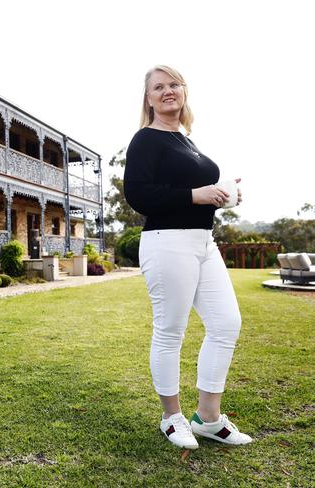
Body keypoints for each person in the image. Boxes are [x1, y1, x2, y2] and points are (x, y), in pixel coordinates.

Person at [124, 65, 252, 449]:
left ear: (184, 91)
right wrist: (195, 195)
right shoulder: (145, 139)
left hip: (203, 242)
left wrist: (224, 194)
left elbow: (197, 188)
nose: (168, 91)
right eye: (158, 87)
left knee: (226, 323)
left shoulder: (185, 139)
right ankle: (172, 417)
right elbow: (138, 194)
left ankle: (208, 418)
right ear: (148, 98)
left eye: (174, 84)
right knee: (170, 331)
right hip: (167, 242)